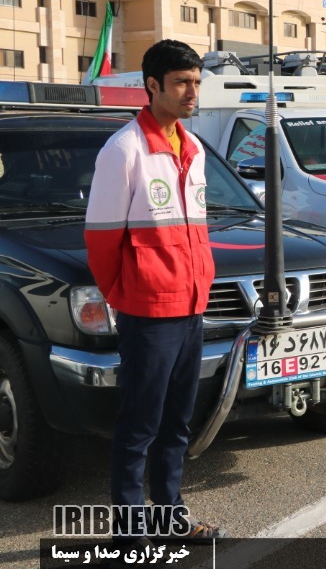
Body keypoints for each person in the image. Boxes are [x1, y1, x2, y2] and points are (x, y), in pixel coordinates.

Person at [84, 39, 224, 549]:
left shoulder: (193, 148)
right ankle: (129, 530)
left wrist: (198, 285)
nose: (193, 92)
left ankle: (169, 515)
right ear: (152, 86)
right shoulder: (124, 150)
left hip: (190, 308)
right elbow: (101, 242)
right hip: (149, 311)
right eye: (182, 82)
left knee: (177, 423)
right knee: (140, 424)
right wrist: (129, 293)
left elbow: (197, 230)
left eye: (196, 82)